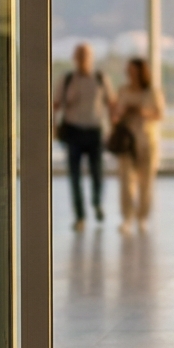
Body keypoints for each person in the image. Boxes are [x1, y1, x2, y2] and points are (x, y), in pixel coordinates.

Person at [54, 43, 115, 231]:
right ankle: (80, 216)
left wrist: (113, 127)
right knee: (74, 176)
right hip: (73, 131)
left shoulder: (100, 78)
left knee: (98, 172)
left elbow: (111, 103)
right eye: (79, 55)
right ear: (74, 58)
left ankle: (97, 203)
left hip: (95, 130)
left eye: (85, 55)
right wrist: (53, 126)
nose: (82, 59)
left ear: (91, 57)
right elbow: (55, 104)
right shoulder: (67, 80)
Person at [113, 57, 164, 232]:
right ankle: (127, 217)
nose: (130, 74)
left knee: (146, 183)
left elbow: (159, 114)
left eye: (133, 70)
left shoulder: (152, 92)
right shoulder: (122, 91)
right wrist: (121, 113)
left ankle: (142, 217)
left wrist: (141, 111)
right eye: (128, 70)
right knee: (126, 182)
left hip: (147, 142)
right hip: (127, 143)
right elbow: (115, 116)